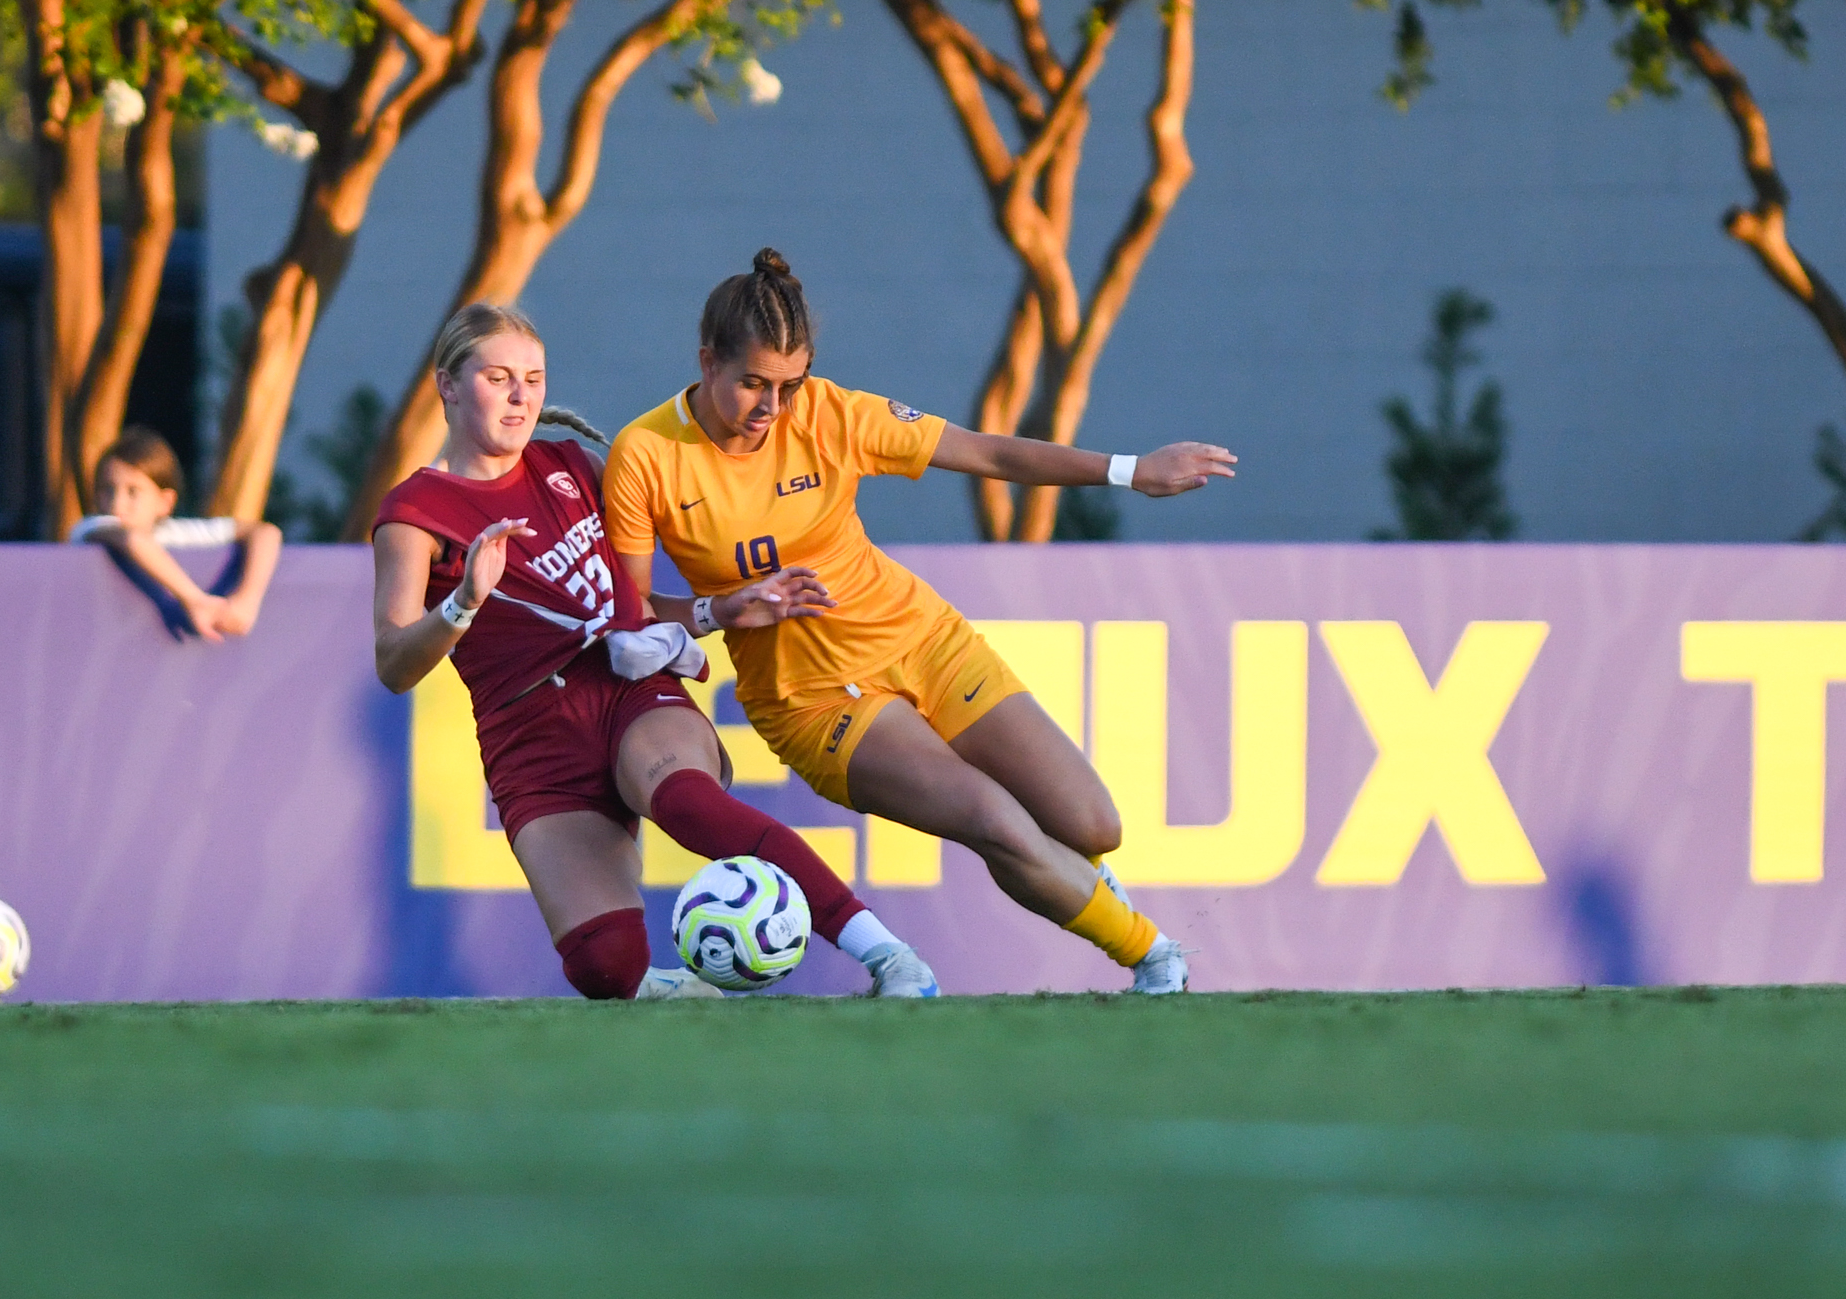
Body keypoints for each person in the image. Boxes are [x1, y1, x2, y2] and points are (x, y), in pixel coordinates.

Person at [604, 249, 1238, 994]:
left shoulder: (834, 414)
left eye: (788, 385)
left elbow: (990, 451)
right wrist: (725, 608)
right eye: (752, 383)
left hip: (923, 640)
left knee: (1093, 826)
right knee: (996, 822)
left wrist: (1133, 470)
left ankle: (1083, 885)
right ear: (706, 361)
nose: (772, 409)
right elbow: (633, 618)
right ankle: (1155, 958)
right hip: (814, 698)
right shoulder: (644, 454)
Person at [369, 302, 938, 1000]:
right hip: (529, 740)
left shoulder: (574, 465)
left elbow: (634, 609)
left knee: (687, 803)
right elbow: (395, 664)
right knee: (605, 967)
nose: (521, 396)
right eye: (498, 377)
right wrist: (463, 602)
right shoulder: (414, 513)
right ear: (449, 386)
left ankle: (891, 959)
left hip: (623, 689)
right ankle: (685, 994)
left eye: (534, 378)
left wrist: (719, 609)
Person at [70, 427, 283, 641]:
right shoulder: (92, 527)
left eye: (133, 492)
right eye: (107, 490)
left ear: (165, 502)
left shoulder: (175, 532)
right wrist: (194, 600)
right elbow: (132, 539)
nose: (117, 504)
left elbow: (265, 533)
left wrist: (247, 601)